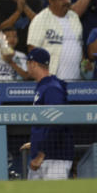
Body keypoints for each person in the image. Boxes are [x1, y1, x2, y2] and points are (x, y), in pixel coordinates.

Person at [24, 47, 73, 180]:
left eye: (27, 63)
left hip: (54, 158)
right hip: (46, 156)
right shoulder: (44, 85)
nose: (26, 67)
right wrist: (36, 143)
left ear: (33, 63)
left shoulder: (52, 88)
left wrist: (41, 153)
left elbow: (57, 122)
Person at [28, 0, 84, 81]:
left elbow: (78, 44)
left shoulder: (74, 17)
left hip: (75, 80)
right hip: (51, 79)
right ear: (51, 1)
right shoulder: (40, 19)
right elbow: (32, 50)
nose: (67, 1)